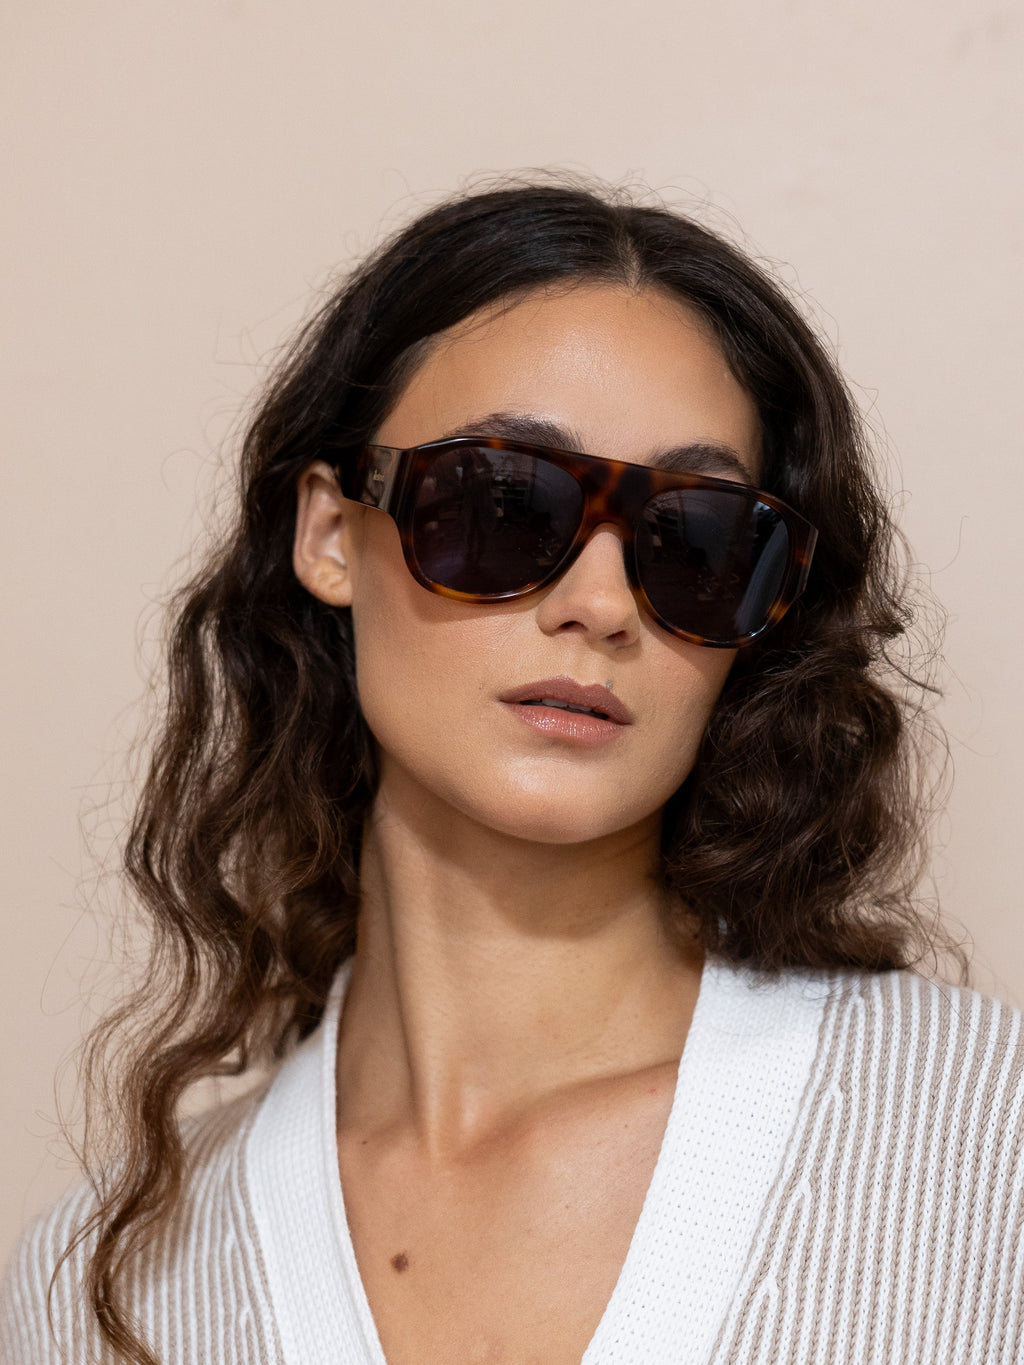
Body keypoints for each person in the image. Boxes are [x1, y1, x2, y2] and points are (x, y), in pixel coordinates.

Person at [2, 179, 1021, 1365]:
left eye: (696, 540)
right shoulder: (104, 1289)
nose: (600, 605)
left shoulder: (982, 1139)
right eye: (502, 505)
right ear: (330, 534)